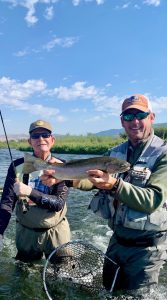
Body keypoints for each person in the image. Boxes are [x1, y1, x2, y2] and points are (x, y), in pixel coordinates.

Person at [40, 95, 167, 294]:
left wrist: (114, 184)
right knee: (109, 291)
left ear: (151, 116)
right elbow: (91, 180)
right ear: (121, 121)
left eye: (140, 115)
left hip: (147, 250)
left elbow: (153, 199)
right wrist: (64, 178)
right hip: (117, 242)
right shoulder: (114, 153)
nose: (134, 121)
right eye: (128, 116)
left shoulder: (163, 153)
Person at [0, 120, 71, 262]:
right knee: (23, 276)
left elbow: (58, 204)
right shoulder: (17, 166)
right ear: (29, 141)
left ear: (52, 140)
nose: (41, 139)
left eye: (45, 135)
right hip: (26, 233)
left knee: (63, 275)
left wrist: (29, 192)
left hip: (56, 232)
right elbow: (7, 203)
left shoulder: (62, 166)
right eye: (35, 136)